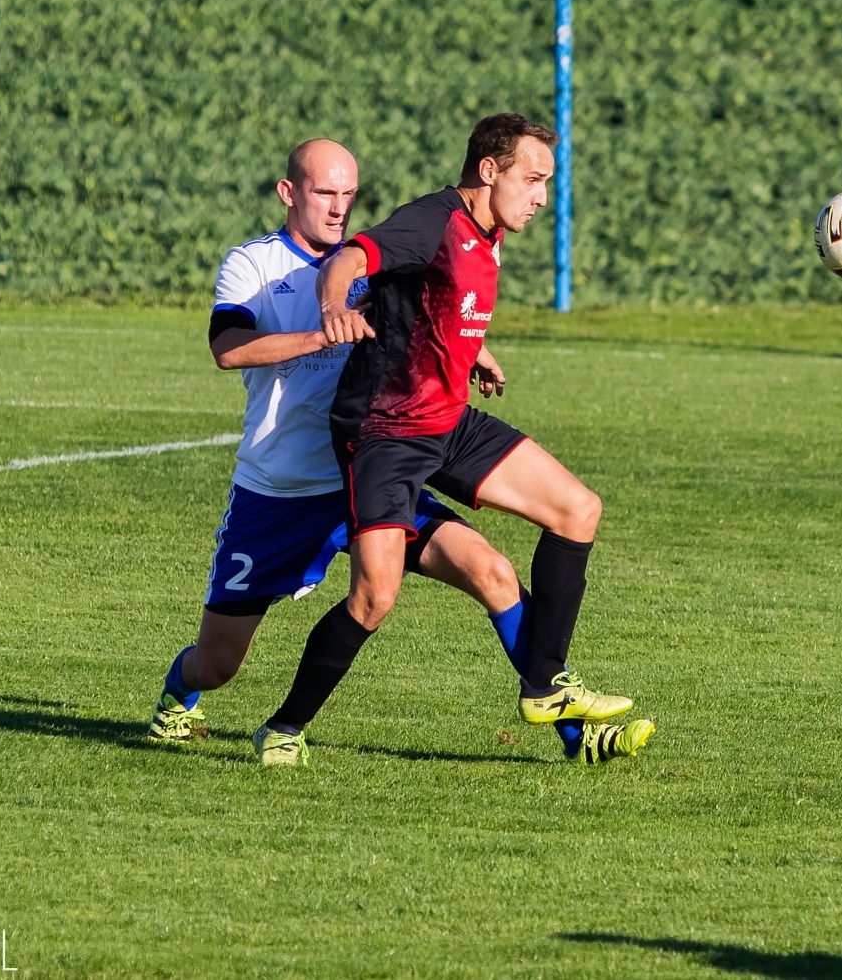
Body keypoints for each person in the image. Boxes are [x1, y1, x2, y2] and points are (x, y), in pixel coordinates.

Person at [146, 138, 584, 764]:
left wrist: (469, 349)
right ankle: (178, 692)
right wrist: (323, 329)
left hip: (370, 467)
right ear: (288, 191)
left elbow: (426, 309)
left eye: (348, 194)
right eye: (325, 192)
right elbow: (230, 348)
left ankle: (571, 727)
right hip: (279, 490)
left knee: (489, 570)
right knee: (218, 663)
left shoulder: (376, 261)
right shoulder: (255, 264)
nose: (338, 207)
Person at [253, 113, 655, 768]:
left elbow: (429, 303)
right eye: (532, 179)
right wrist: (334, 306)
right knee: (374, 596)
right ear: (489, 171)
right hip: (385, 432)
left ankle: (550, 691)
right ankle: (283, 727)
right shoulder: (434, 220)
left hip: (448, 421)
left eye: (547, 183)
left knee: (574, 510)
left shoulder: (486, 232)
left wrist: (473, 351)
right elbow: (355, 256)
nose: (542, 198)